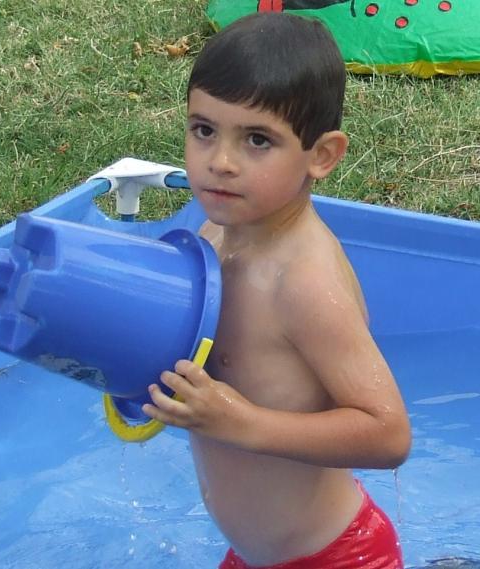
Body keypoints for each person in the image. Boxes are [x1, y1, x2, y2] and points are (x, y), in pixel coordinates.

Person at [142, 12, 412, 569]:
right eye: (204, 130)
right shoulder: (213, 235)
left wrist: (241, 423)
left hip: (339, 558)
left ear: (322, 155)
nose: (220, 162)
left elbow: (389, 435)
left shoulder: (304, 282)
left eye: (258, 140)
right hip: (253, 555)